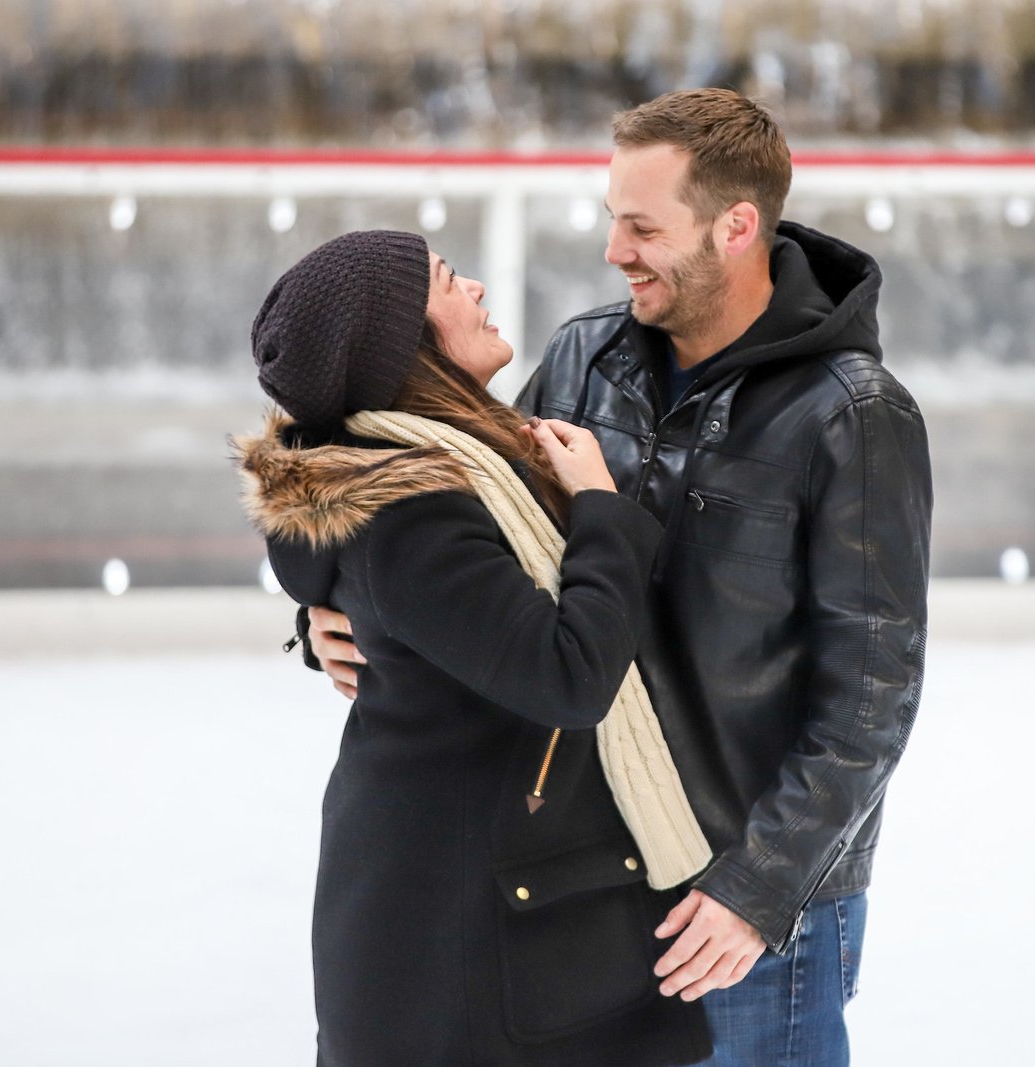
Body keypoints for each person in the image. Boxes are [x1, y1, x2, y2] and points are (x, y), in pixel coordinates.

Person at [308, 88, 932, 1066]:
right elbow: (450, 520)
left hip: (747, 914)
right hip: (595, 885)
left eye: (641, 226)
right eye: (612, 220)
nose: (614, 250)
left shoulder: (850, 416)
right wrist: (327, 610)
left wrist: (757, 890)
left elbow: (871, 697)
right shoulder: (583, 357)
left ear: (735, 227)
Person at [236, 229, 712, 1066]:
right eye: (451, 283)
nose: (480, 289)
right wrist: (601, 510)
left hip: (465, 919)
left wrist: (331, 626)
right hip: (463, 955)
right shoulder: (416, 506)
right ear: (407, 346)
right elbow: (567, 676)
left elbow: (428, 621)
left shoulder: (427, 470)